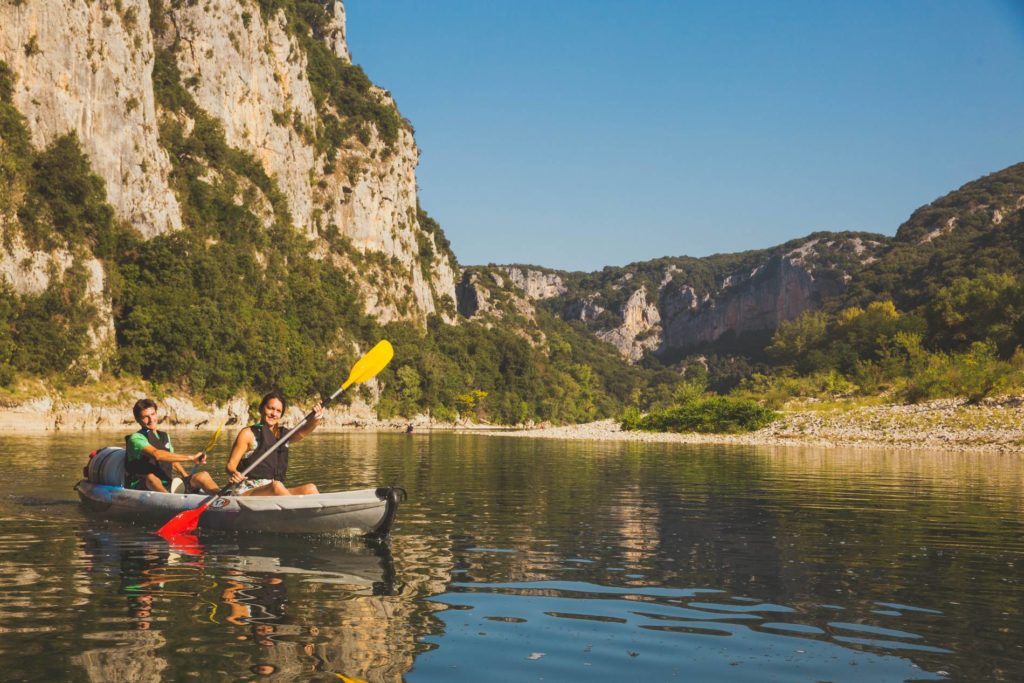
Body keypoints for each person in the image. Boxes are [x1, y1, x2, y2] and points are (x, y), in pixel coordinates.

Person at [225, 391, 322, 496]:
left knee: (310, 489)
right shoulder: (248, 433)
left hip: (275, 491)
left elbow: (304, 430)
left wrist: (316, 418)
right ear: (262, 408)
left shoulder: (283, 436)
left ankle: (317, 512)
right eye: (270, 408)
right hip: (247, 491)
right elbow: (230, 465)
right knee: (276, 486)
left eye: (278, 411)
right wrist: (234, 473)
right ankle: (292, 509)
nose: (274, 414)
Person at [124, 398, 220, 494]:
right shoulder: (136, 438)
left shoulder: (164, 436)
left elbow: (173, 461)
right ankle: (170, 501)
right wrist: (191, 457)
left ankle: (223, 499)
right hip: (142, 486)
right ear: (138, 420)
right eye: (145, 417)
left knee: (203, 475)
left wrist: (185, 476)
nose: (151, 420)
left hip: (167, 484)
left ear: (156, 414)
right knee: (151, 478)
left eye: (153, 414)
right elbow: (157, 455)